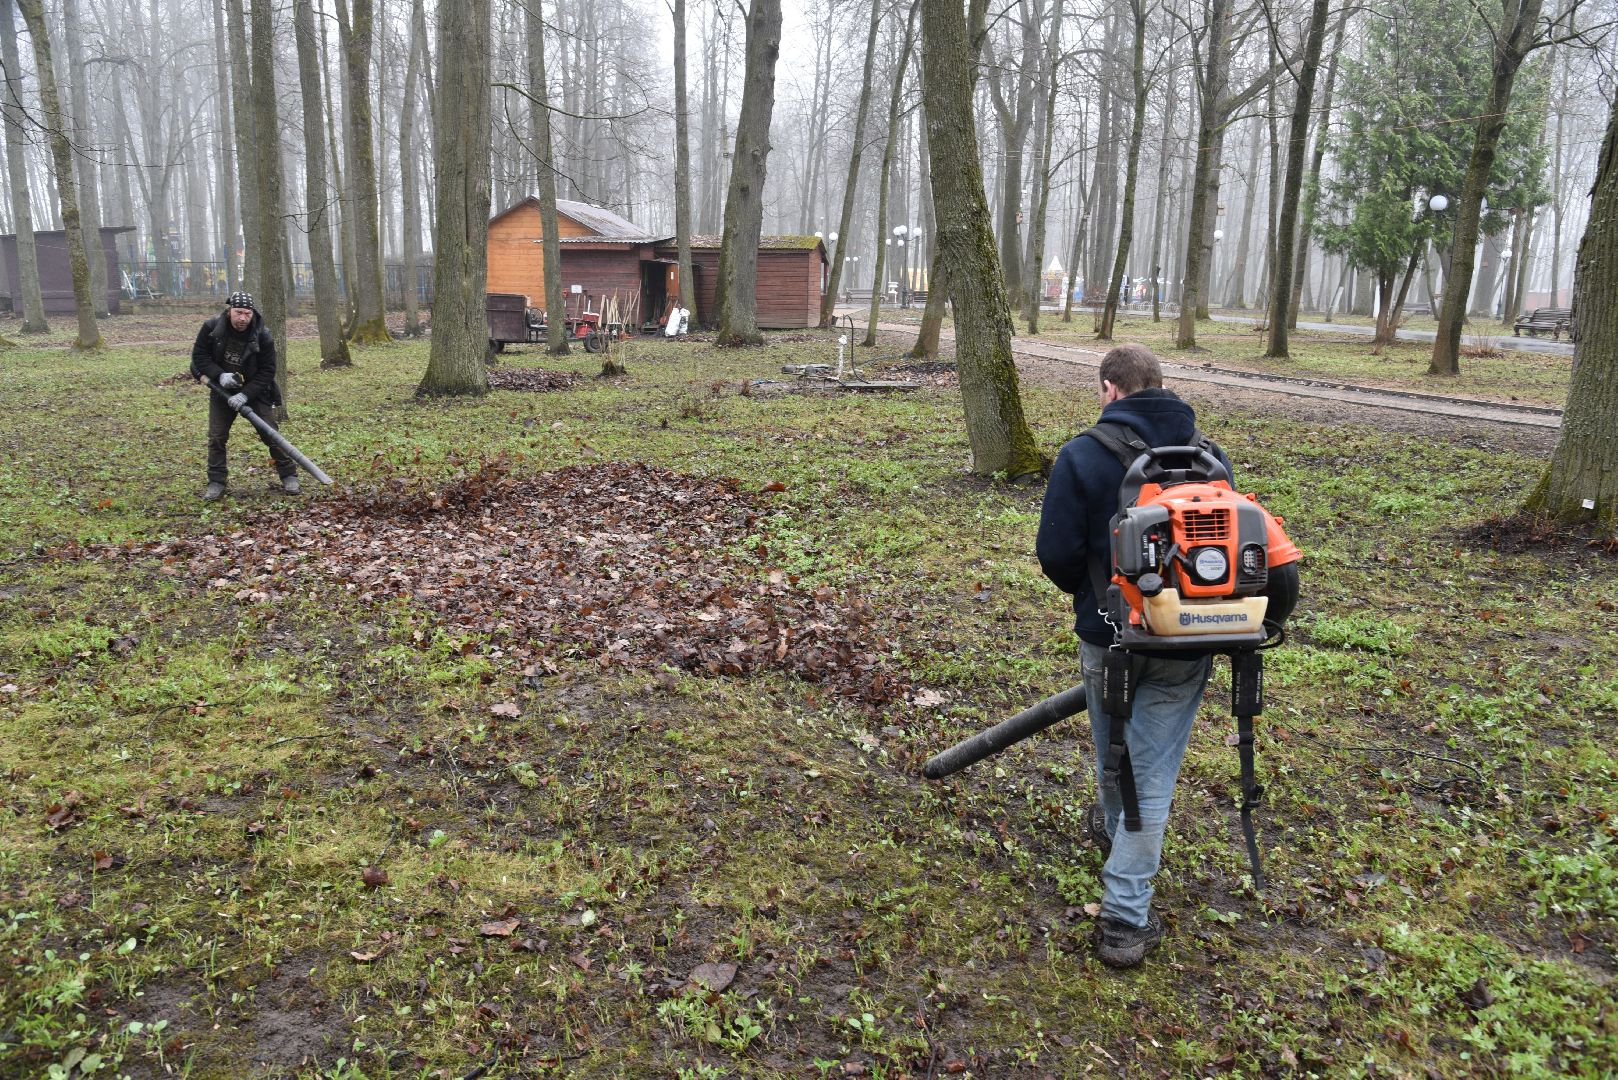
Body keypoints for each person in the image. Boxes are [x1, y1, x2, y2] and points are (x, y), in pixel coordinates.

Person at [1035, 344, 1235, 969]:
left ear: (1110, 390)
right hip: (1191, 635)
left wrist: (1097, 598)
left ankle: (1123, 914)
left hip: (1106, 634)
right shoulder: (1209, 457)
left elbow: (1056, 553)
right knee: (1142, 761)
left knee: (1122, 758)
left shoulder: (1084, 454)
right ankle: (1122, 841)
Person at [190, 291, 297, 501]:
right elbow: (198, 357)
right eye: (238, 313)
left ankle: (289, 475)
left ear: (252, 313)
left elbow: (268, 371)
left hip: (255, 391)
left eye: (247, 314)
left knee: (271, 434)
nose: (242, 318)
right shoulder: (211, 328)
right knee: (217, 436)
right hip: (222, 390)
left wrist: (246, 395)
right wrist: (219, 376)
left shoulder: (262, 335)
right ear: (230, 310)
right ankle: (216, 482)